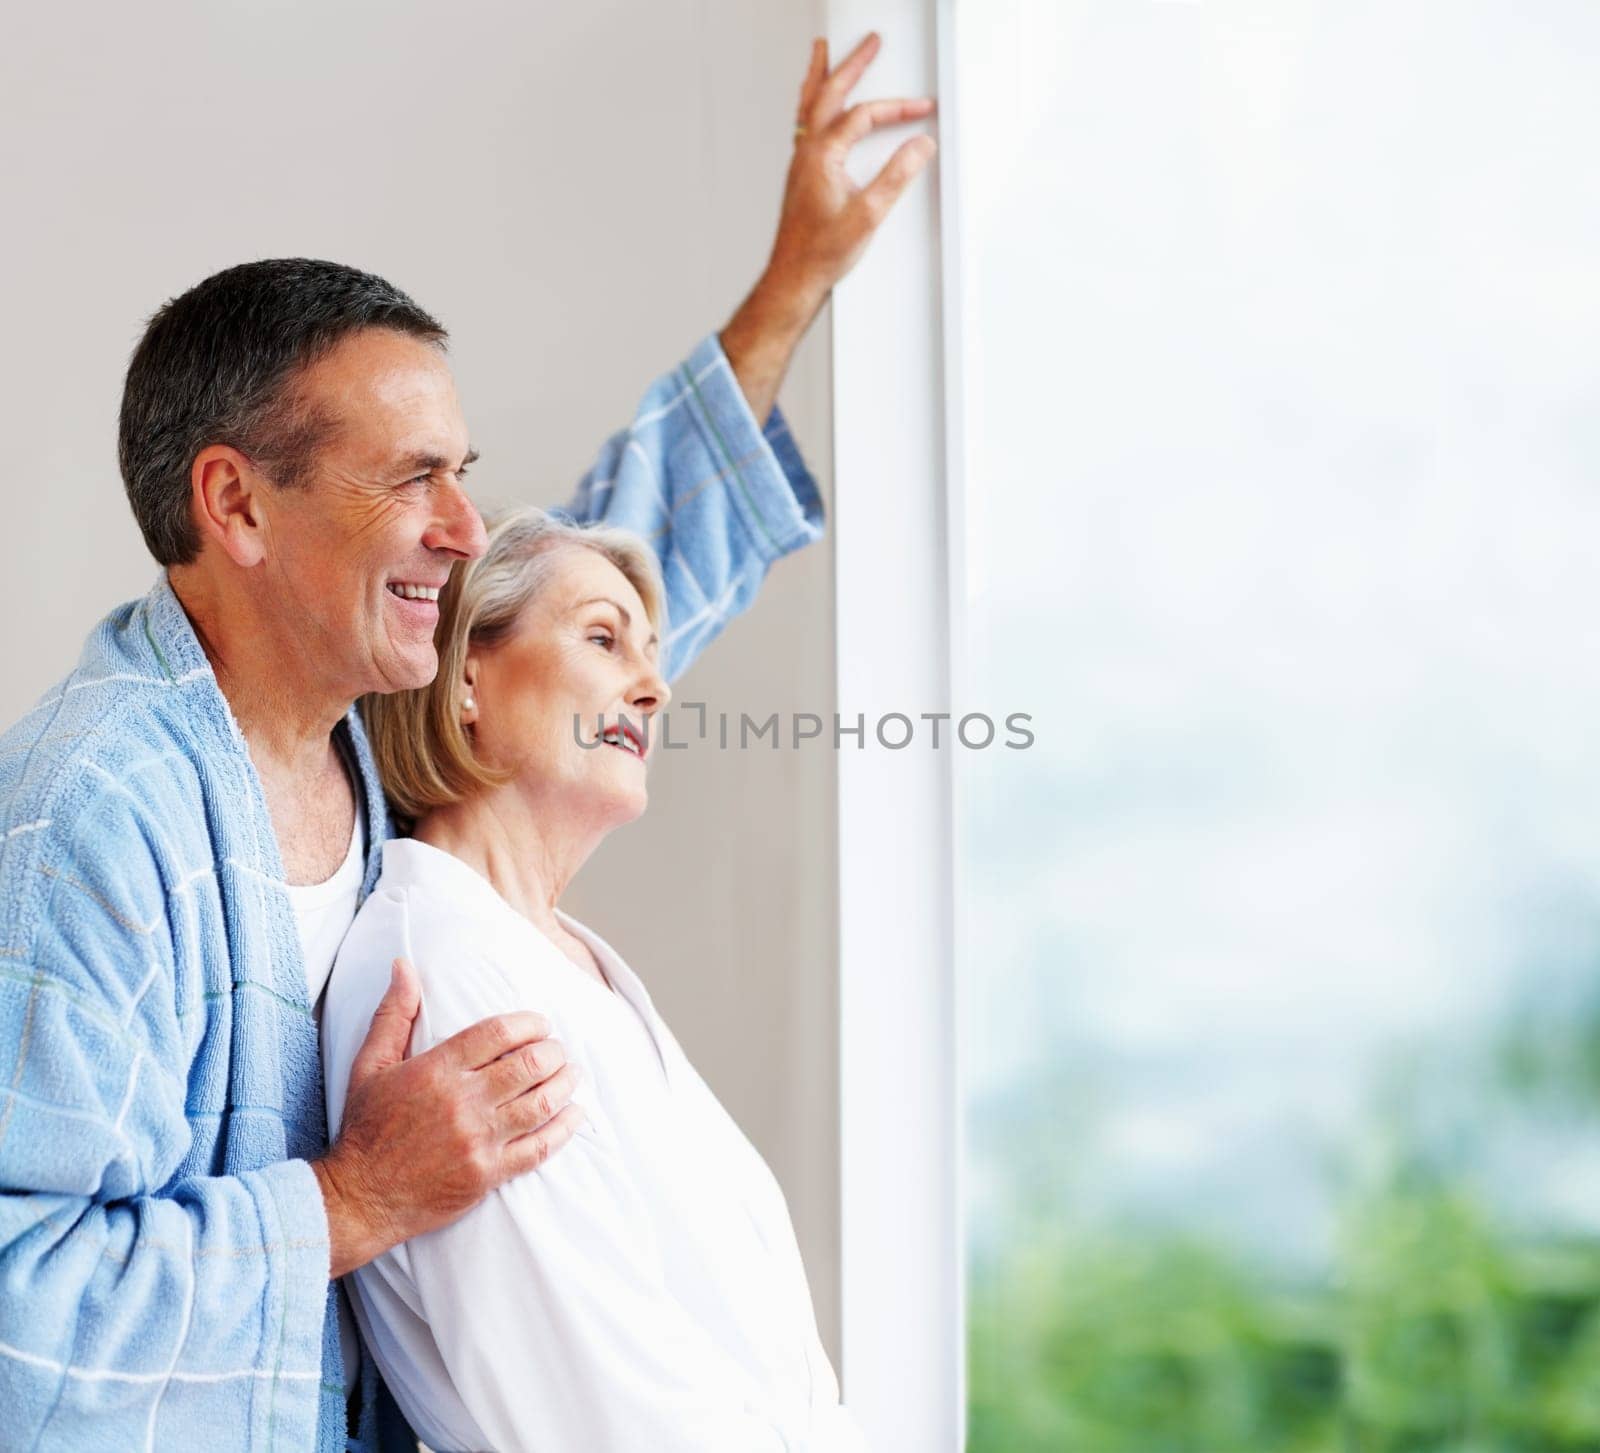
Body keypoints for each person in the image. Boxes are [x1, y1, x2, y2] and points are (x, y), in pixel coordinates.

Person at [0, 33, 933, 1452]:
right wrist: (354, 1198)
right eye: (410, 478)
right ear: (238, 508)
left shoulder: (362, 744)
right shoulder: (95, 816)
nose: (462, 526)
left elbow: (569, 607)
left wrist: (795, 279)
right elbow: (18, 1315)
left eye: (466, 476)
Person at [324, 507, 865, 1451]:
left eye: (648, 652)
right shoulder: (444, 976)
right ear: (466, 681)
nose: (653, 688)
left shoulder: (566, 964)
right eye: (603, 637)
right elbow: (604, 1417)